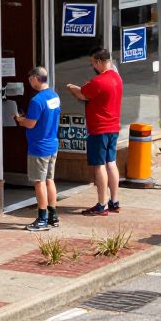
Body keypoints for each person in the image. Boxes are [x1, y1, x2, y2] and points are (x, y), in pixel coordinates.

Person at [67, 48, 123, 216]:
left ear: (99, 61)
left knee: (99, 166)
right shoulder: (117, 78)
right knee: (111, 163)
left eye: (92, 62)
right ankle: (114, 201)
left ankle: (102, 204)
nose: (92, 65)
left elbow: (82, 94)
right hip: (113, 127)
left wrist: (70, 87)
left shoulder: (98, 81)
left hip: (99, 128)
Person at [13, 66, 61, 232]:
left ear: (35, 78)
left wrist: (20, 120)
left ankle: (42, 218)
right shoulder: (54, 96)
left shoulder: (37, 100)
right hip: (52, 144)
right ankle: (53, 215)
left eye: (29, 79)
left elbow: (31, 123)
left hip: (39, 147)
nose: (29, 82)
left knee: (38, 182)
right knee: (49, 180)